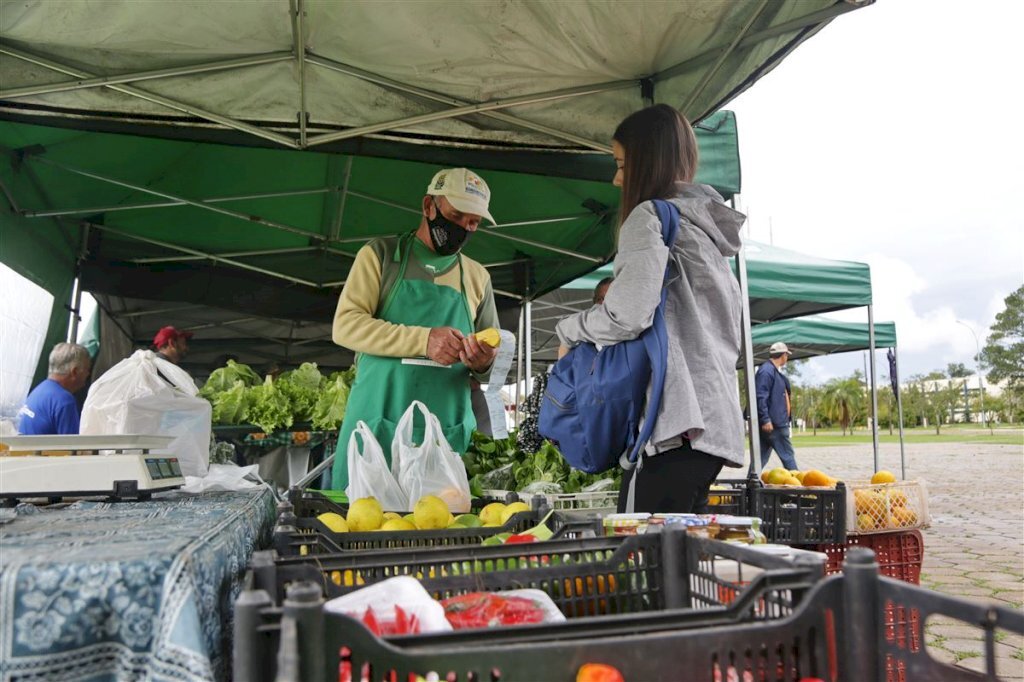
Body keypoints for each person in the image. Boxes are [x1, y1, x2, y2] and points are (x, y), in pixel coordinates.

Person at [555, 104, 746, 514]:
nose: (616, 177)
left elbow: (626, 314)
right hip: (714, 425)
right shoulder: (707, 231)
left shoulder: (649, 217)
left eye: (622, 164)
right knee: (678, 559)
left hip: (677, 425)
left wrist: (569, 330)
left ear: (646, 162)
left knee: (639, 559)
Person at [330, 167, 500, 491]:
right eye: (456, 215)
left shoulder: (478, 277)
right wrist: (423, 340)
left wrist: (484, 363)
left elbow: (496, 361)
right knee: (363, 527)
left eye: (473, 222)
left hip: (442, 434)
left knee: (438, 530)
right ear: (428, 207)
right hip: (378, 423)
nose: (464, 227)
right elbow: (346, 325)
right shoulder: (380, 256)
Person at [17, 343, 92, 435]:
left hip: (25, 448)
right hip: (41, 449)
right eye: (87, 369)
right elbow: (72, 446)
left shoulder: (39, 390)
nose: (88, 374)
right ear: (75, 372)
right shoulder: (64, 400)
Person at [756, 341, 799, 470]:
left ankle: (751, 487)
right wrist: (766, 419)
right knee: (788, 456)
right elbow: (760, 396)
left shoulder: (771, 371)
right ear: (784, 355)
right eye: (787, 355)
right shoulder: (767, 371)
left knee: (760, 459)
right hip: (775, 424)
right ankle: (797, 487)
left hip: (774, 423)